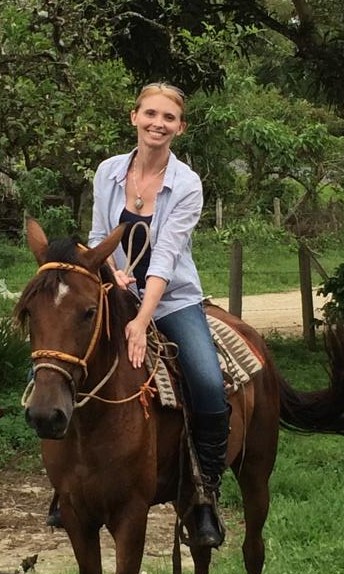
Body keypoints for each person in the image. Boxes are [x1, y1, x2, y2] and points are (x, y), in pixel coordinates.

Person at [87, 82, 229, 548]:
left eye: (168, 118)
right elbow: (96, 237)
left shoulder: (187, 184)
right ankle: (67, 484)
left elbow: (166, 257)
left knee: (208, 381)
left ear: (180, 127)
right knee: (58, 362)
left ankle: (204, 495)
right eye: (150, 113)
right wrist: (113, 272)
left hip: (171, 299)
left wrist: (140, 320)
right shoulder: (108, 170)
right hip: (114, 289)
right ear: (134, 117)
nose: (158, 123)